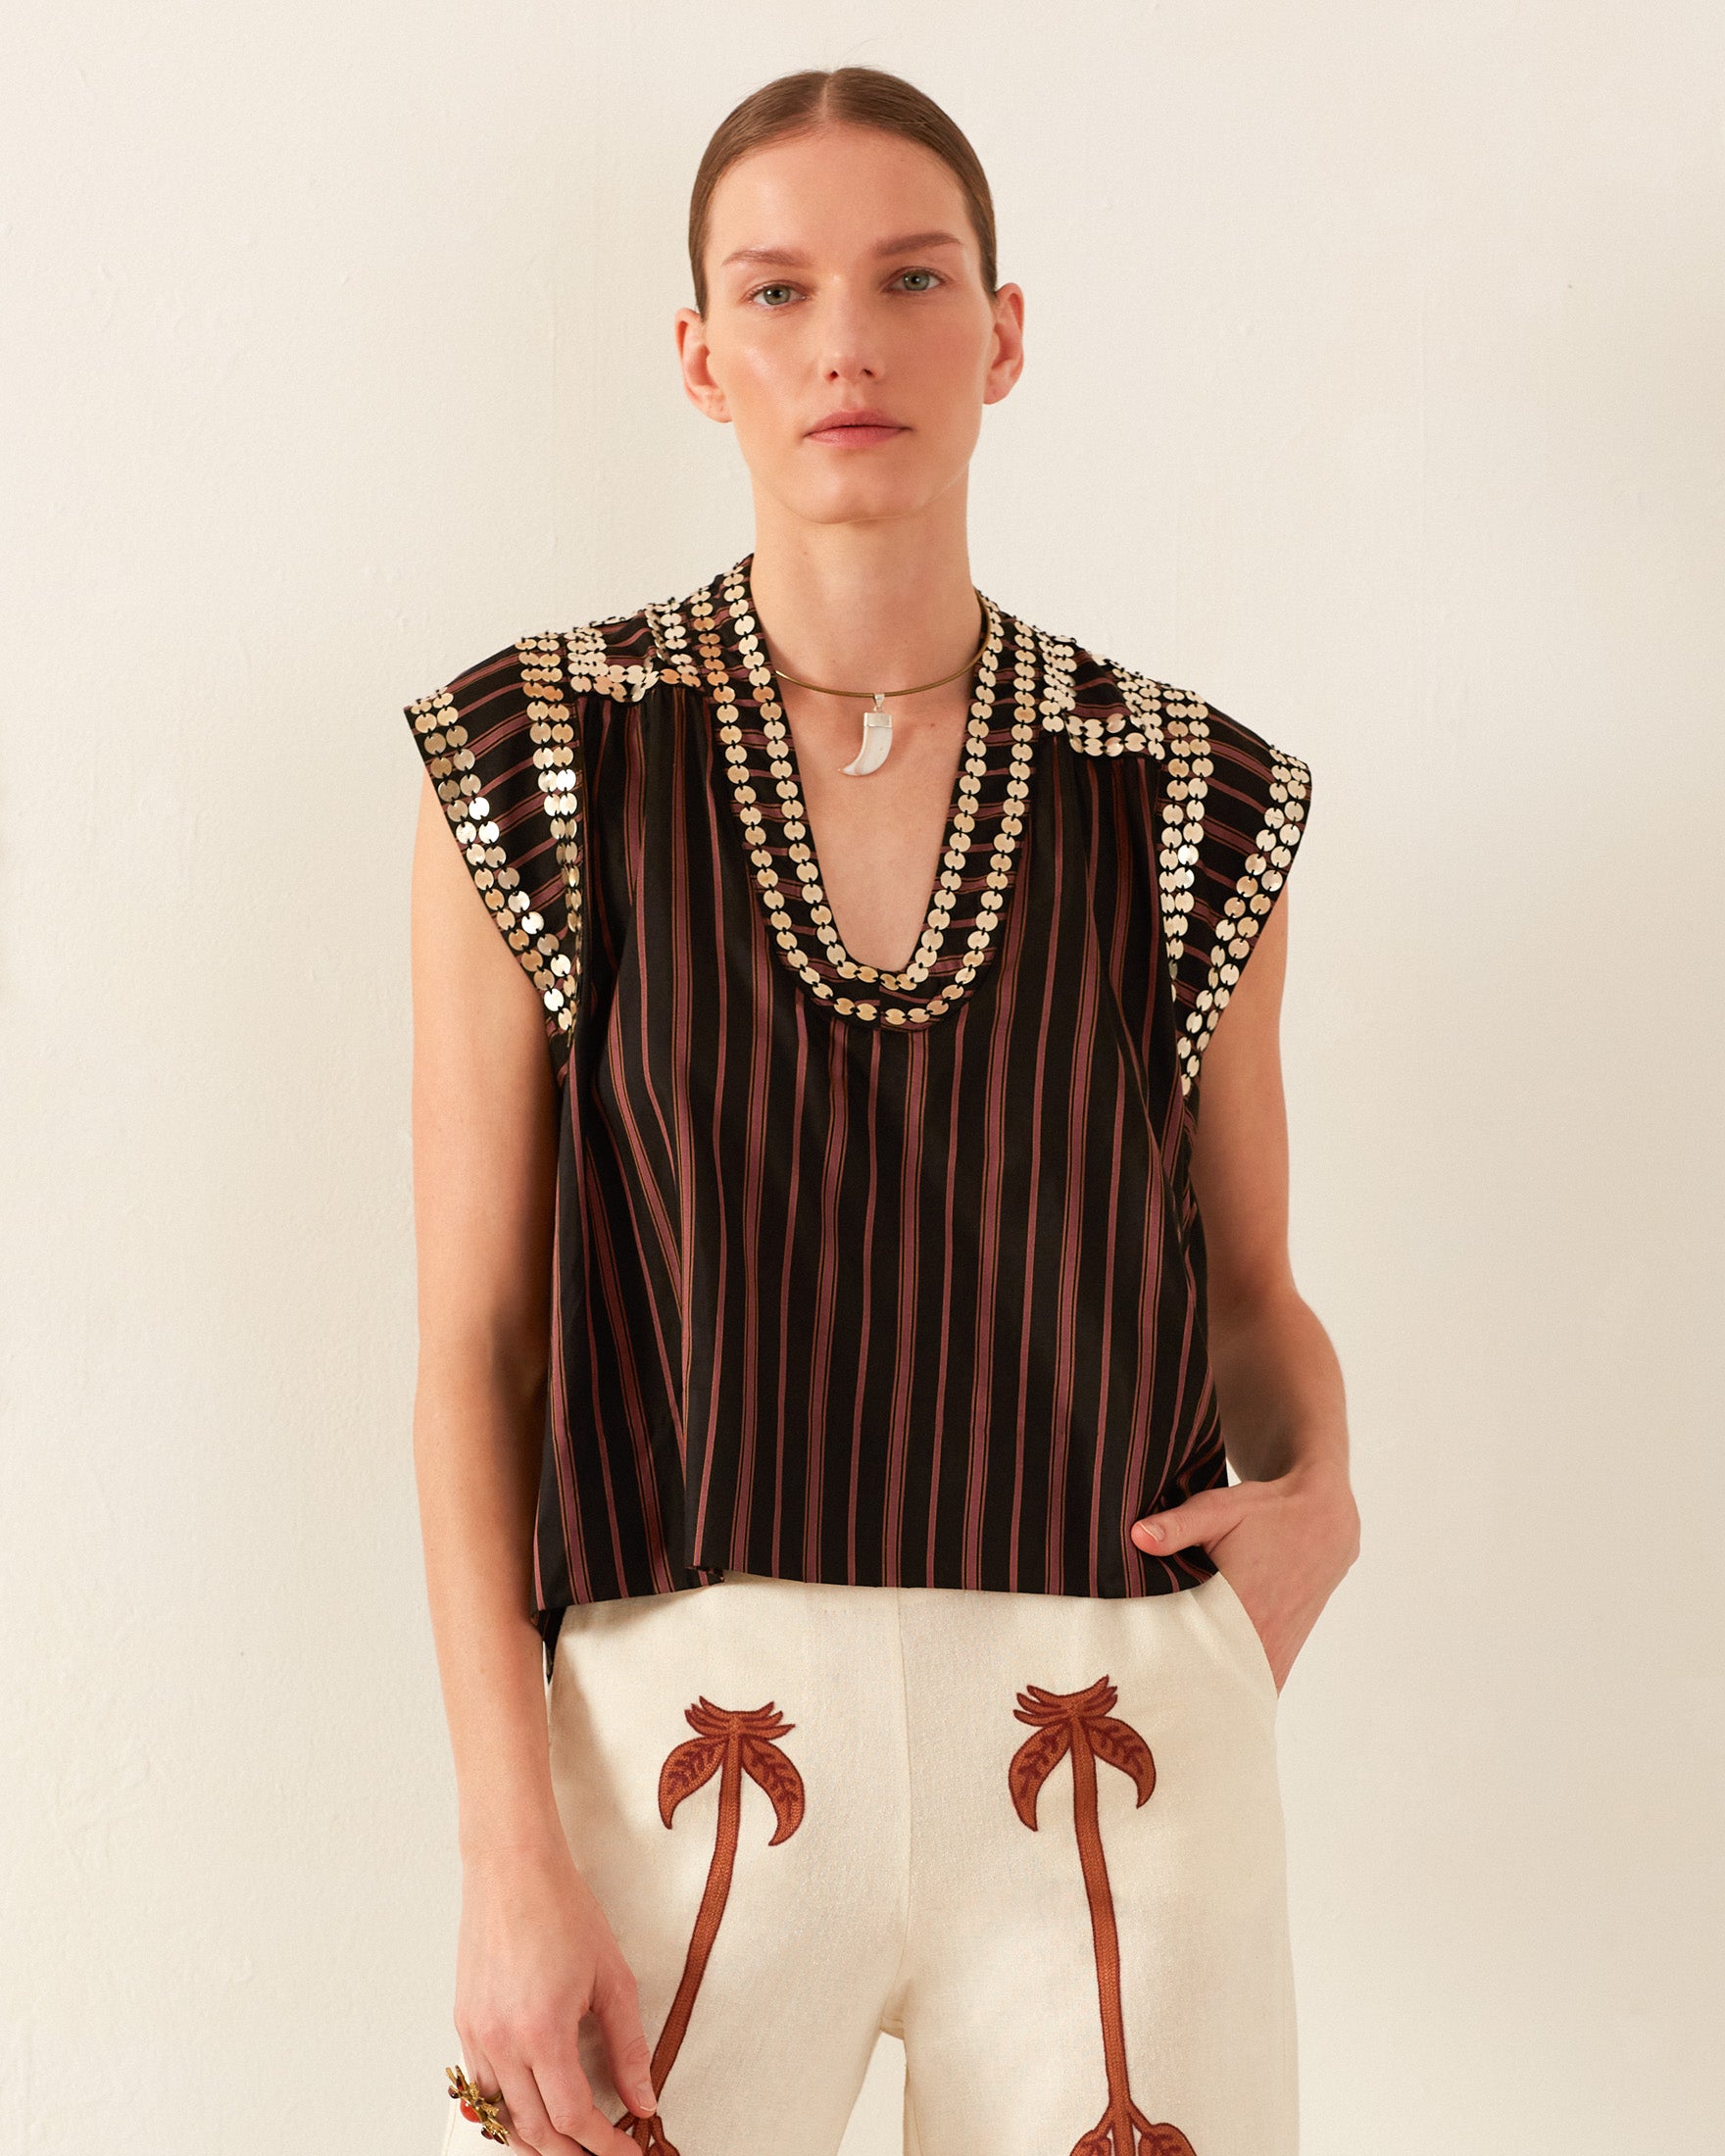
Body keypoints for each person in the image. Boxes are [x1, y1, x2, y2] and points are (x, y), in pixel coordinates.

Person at [404, 64, 1358, 2156]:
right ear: (698, 352)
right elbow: (475, 1344)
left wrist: (1325, 1486)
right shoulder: (537, 759)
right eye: (777, 288)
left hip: (1111, 1711)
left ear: (1001, 331)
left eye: (910, 277)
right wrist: (502, 1841)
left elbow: (1250, 1283)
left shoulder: (1186, 790)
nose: (845, 340)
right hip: (677, 1716)